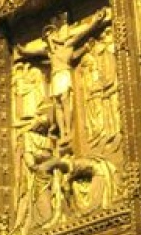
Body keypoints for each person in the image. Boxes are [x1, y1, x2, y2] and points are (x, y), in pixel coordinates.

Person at [14, 8, 111, 144]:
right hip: (55, 77)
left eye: (50, 35)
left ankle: (69, 130)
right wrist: (22, 51)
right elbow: (32, 53)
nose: (49, 39)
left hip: (64, 73)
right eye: (46, 38)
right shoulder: (48, 52)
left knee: (65, 99)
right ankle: (64, 131)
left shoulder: (67, 45)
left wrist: (95, 22)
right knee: (57, 103)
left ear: (55, 35)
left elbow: (83, 33)